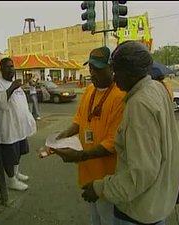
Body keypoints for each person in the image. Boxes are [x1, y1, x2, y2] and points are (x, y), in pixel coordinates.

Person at [81, 41, 179, 225]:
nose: (114, 76)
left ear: (130, 71)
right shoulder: (156, 88)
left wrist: (99, 187)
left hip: (139, 211)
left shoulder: (139, 104)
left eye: (116, 70)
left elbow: (140, 174)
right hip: (157, 202)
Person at [51, 46, 126, 225]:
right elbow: (78, 121)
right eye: (91, 68)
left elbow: (113, 142)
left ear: (111, 68)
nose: (93, 73)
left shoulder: (120, 97)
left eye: (98, 69)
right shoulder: (89, 91)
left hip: (108, 178)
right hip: (87, 173)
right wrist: (61, 137)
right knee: (95, 219)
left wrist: (80, 155)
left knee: (109, 219)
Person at [0, 58, 36, 191]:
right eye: (7, 67)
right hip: (8, 127)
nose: (11, 69)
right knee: (9, 156)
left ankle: (16, 174)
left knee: (18, 152)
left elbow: (22, 104)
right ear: (1, 69)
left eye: (12, 66)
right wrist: (12, 87)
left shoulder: (15, 84)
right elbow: (0, 103)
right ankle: (11, 181)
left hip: (19, 127)